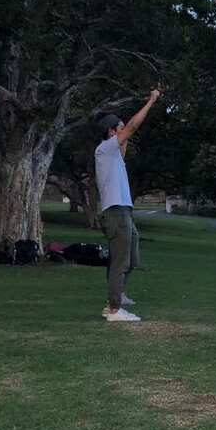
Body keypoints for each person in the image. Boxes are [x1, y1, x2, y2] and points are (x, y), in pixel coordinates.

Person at [94, 89, 160, 323]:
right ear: (112, 132)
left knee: (130, 259)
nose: (125, 133)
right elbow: (132, 126)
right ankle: (114, 309)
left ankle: (117, 296)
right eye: (120, 129)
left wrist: (126, 133)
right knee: (121, 261)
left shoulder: (115, 155)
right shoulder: (104, 149)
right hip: (115, 212)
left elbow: (128, 134)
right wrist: (151, 101)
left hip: (124, 211)